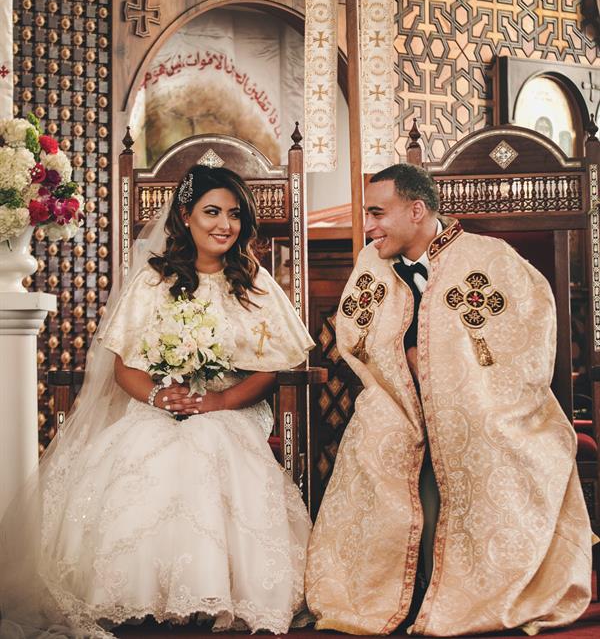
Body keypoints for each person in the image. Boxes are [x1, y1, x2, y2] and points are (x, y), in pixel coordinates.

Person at [0, 165, 314, 638]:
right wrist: (158, 396)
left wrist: (219, 401)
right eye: (212, 212)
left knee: (208, 440)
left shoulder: (254, 281)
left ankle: (210, 590)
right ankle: (140, 592)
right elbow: (125, 367)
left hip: (232, 407)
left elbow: (273, 368)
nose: (224, 224)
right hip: (159, 405)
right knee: (142, 445)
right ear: (186, 215)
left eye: (234, 214)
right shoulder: (154, 281)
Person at [305, 163, 593, 637]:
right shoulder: (371, 262)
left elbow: (525, 337)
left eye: (377, 213)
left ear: (416, 210)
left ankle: (478, 592)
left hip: (483, 400)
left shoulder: (491, 258)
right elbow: (356, 336)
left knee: (483, 438)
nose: (369, 226)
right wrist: (405, 357)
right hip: (397, 398)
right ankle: (388, 594)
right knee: (377, 438)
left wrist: (446, 368)